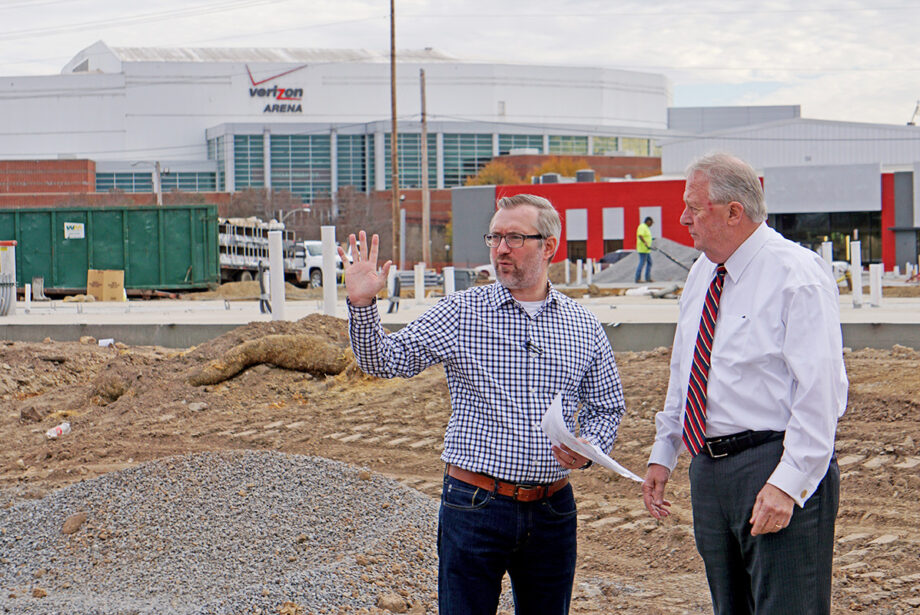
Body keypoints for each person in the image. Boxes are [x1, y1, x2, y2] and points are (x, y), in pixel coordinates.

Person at [340, 193, 626, 615]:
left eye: (513, 237)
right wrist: (362, 304)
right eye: (494, 237)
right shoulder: (461, 312)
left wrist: (587, 448)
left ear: (548, 246)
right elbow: (386, 359)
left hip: (552, 510)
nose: (500, 249)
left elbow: (608, 405)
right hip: (474, 506)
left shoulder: (582, 324)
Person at [642, 153, 847, 614]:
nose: (682, 218)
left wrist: (788, 484)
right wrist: (664, 451)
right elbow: (686, 367)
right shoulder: (703, 272)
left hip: (770, 463)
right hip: (710, 472)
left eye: (694, 207)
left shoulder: (796, 275)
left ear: (734, 212)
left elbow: (821, 393)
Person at [635, 216, 654, 283]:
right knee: (642, 263)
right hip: (643, 249)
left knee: (649, 262)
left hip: (647, 249)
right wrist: (645, 242)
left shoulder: (646, 227)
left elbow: (646, 236)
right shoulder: (642, 226)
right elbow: (640, 235)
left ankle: (648, 278)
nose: (651, 224)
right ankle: (637, 278)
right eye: (651, 223)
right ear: (648, 221)